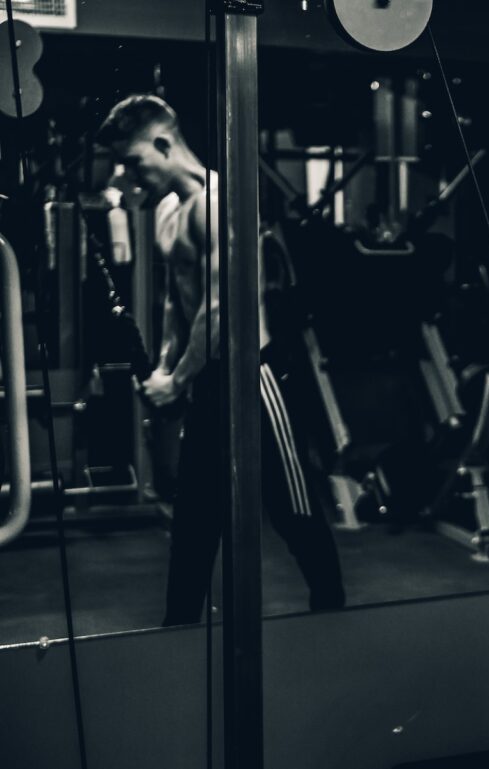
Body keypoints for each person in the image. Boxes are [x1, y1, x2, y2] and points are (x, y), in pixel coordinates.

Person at [96, 95, 345, 626]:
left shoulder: (219, 202)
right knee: (192, 525)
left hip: (254, 378)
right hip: (207, 380)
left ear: (163, 143)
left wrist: (176, 378)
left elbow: (221, 309)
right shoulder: (166, 210)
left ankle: (333, 617)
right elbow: (174, 299)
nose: (133, 176)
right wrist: (167, 368)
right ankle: (176, 634)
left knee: (294, 512)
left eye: (136, 161)